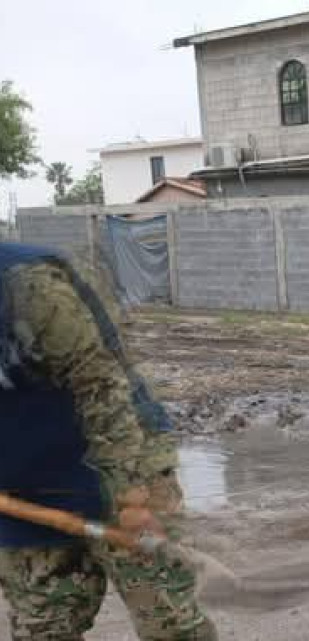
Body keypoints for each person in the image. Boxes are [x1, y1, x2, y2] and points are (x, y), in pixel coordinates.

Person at [0, 242, 217, 640]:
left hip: (117, 464)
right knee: (42, 629)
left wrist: (131, 496)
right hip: (23, 494)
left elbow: (100, 384)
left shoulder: (26, 282)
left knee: (170, 626)